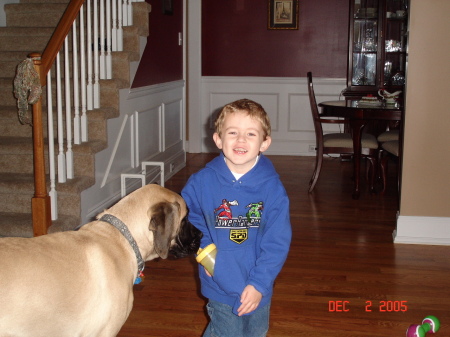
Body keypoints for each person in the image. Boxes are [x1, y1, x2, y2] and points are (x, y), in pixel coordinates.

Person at [181, 98, 292, 337]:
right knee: (226, 332)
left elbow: (277, 242)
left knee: (256, 332)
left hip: (258, 285)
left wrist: (259, 285)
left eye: (251, 134)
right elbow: (190, 219)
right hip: (218, 280)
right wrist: (207, 255)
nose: (241, 140)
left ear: (265, 143)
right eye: (233, 132)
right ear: (218, 139)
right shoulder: (201, 182)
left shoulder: (273, 189)